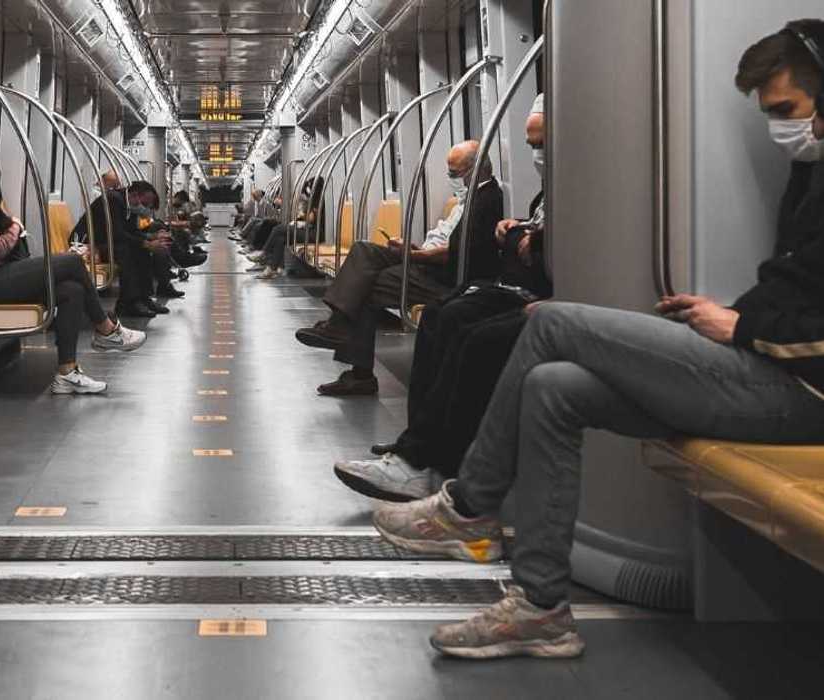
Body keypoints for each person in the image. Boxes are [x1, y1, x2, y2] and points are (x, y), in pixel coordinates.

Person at [372, 19, 824, 660]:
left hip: (804, 393)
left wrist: (747, 328)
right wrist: (730, 315)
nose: (783, 128)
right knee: (555, 387)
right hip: (768, 369)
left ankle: (467, 507)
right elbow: (794, 286)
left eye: (788, 110)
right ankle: (540, 608)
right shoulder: (811, 176)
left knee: (551, 322)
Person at [335, 96, 550, 501]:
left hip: (490, 283)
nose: (535, 155)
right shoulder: (538, 194)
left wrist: (413, 253)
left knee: (463, 330)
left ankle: (430, 457)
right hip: (499, 282)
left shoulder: (492, 198)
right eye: (530, 145)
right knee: (436, 315)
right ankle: (416, 449)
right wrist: (521, 230)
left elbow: (487, 251)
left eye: (540, 145)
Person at [294, 141, 505, 395]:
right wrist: (413, 248)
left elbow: (458, 254)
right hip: (429, 261)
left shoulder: (487, 200)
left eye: (454, 173)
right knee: (364, 251)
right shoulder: (468, 196)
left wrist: (417, 255)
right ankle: (339, 325)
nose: (450, 178)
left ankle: (356, 365)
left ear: (475, 169)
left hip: (446, 278)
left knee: (366, 284)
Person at [0, 130, 145, 395]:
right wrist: (15, 227)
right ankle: (106, 329)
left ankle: (66, 372)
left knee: (71, 290)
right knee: (71, 263)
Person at [73, 174, 171, 318]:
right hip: (88, 243)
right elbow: (117, 233)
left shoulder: (126, 204)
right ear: (136, 195)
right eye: (145, 203)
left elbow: (131, 231)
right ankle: (129, 304)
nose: (145, 208)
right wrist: (146, 243)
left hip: (105, 241)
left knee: (140, 250)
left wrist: (150, 239)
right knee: (125, 250)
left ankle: (144, 298)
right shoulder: (113, 199)